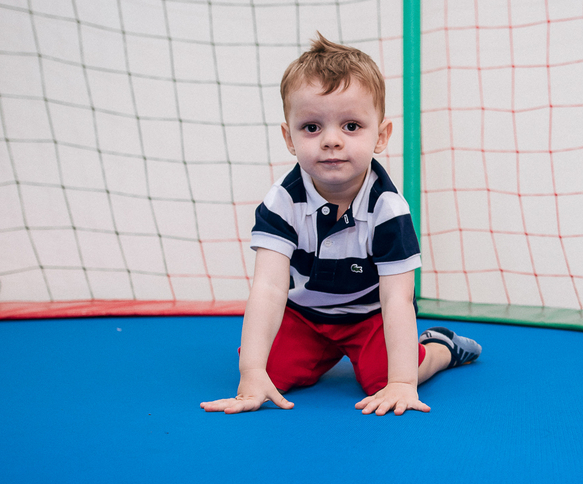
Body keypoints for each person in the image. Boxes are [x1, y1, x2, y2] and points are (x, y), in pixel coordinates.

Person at [201, 34, 480, 416]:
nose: (331, 140)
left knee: (391, 376)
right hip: (306, 316)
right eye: (312, 128)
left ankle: (440, 348)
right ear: (289, 137)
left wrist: (401, 382)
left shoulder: (387, 208)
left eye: (351, 126)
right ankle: (305, 357)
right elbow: (267, 287)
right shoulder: (282, 202)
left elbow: (397, 298)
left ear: (380, 136)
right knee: (269, 372)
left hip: (369, 316)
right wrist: (251, 372)